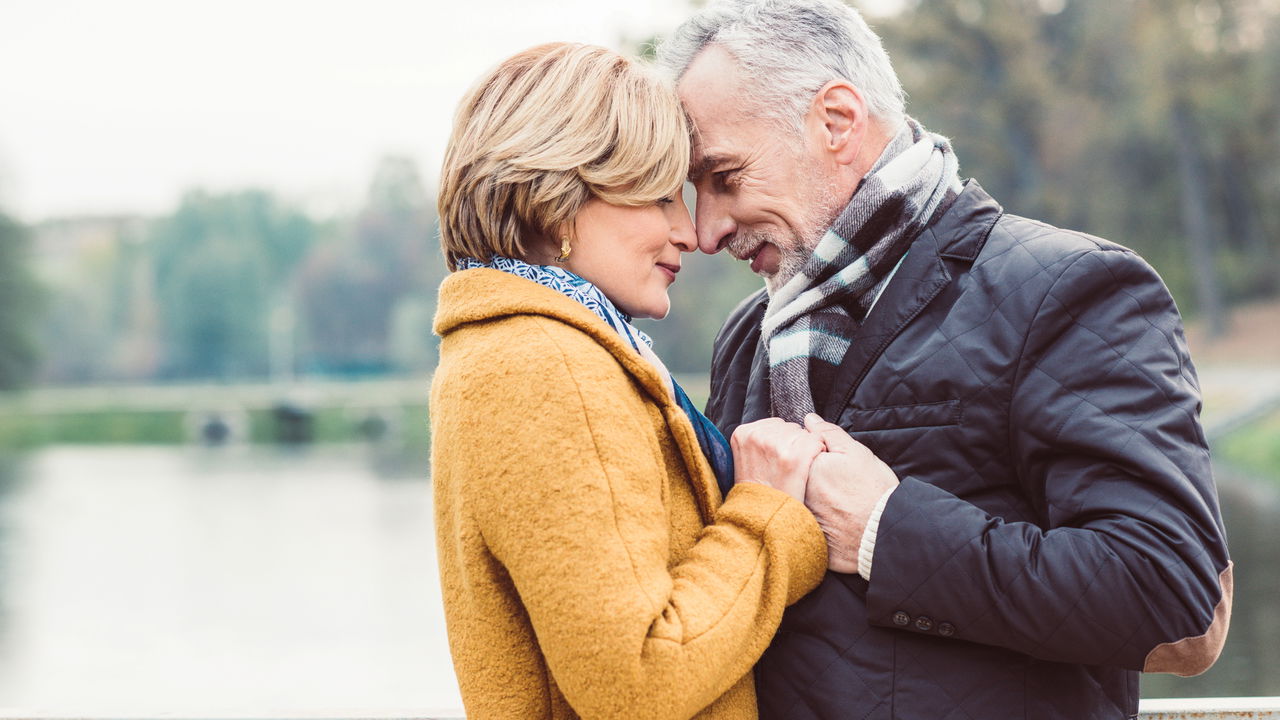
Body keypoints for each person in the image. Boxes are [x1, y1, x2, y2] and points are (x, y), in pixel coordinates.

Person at [657, 2, 1233, 718]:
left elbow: (1171, 594)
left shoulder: (1066, 288)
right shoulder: (750, 333)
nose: (707, 230)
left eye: (724, 176)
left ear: (836, 121)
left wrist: (884, 529)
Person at [431, 42, 831, 720]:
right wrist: (766, 517)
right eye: (657, 196)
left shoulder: (526, 348)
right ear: (558, 200)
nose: (689, 232)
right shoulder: (546, 367)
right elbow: (638, 679)